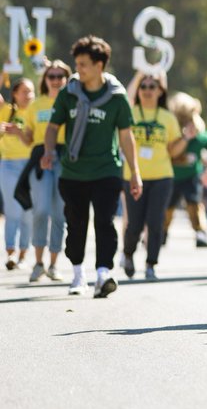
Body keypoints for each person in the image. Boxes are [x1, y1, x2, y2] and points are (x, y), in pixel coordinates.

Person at [42, 36, 142, 297]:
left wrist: (135, 173)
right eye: (77, 64)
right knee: (76, 224)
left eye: (83, 64)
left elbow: (125, 136)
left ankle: (103, 274)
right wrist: (49, 151)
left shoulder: (117, 98)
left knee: (104, 222)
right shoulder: (69, 93)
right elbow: (53, 127)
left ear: (100, 66)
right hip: (73, 172)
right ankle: (77, 275)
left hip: (106, 170)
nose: (78, 70)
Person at [120, 71, 184, 281]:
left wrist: (186, 138)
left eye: (152, 87)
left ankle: (151, 264)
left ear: (160, 92)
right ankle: (128, 254)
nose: (147, 90)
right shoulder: (129, 112)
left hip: (162, 177)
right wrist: (140, 73)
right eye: (143, 87)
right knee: (135, 225)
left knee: (156, 222)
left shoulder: (167, 117)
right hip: (133, 176)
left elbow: (173, 151)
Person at [26, 60, 70, 281]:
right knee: (41, 209)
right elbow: (28, 136)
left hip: (64, 158)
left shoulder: (71, 103)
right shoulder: (36, 105)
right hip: (40, 158)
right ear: (45, 79)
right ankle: (38, 262)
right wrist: (14, 132)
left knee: (59, 212)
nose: (55, 80)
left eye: (60, 76)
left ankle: (53, 264)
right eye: (51, 76)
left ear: (66, 79)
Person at [165, 92, 207, 249]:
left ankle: (200, 232)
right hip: (171, 175)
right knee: (167, 207)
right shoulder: (172, 132)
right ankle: (161, 232)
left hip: (191, 176)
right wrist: (185, 138)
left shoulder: (199, 136)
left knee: (194, 204)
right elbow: (172, 152)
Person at [2, 78, 35, 269]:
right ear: (14, 93)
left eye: (30, 91)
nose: (28, 95)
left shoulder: (34, 111)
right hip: (7, 164)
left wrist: (18, 133)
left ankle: (23, 253)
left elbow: (33, 140)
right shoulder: (6, 111)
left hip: (29, 165)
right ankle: (10, 252)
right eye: (24, 91)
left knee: (28, 211)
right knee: (12, 209)